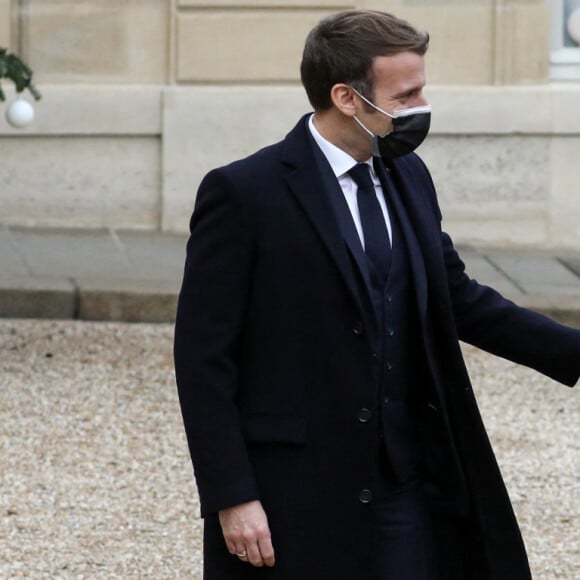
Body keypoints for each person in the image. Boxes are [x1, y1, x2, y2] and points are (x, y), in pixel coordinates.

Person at [174, 9, 580, 580]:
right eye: (407, 94)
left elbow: (457, 296)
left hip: (406, 485)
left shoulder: (408, 175)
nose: (421, 106)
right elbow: (203, 359)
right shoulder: (244, 194)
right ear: (346, 97)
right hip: (296, 492)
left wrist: (573, 350)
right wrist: (232, 496)